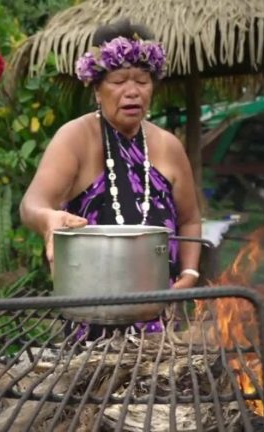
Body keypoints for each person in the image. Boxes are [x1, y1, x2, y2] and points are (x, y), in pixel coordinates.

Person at [19, 18, 202, 293]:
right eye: (118, 81)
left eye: (142, 81)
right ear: (97, 90)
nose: (132, 92)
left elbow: (189, 220)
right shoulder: (75, 138)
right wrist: (47, 219)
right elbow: (31, 204)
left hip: (163, 303)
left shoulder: (169, 146)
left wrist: (189, 272)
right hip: (91, 305)